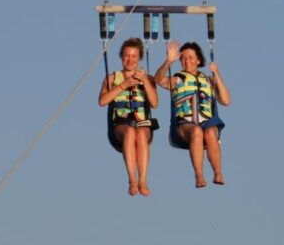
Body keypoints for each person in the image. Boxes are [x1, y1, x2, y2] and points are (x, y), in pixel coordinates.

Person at [155, 40, 231, 188]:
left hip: (207, 122)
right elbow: (158, 79)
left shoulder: (208, 80)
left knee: (210, 133)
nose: (186, 60)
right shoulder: (178, 79)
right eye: (183, 58)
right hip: (185, 125)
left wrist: (217, 74)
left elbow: (226, 101)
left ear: (198, 60)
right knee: (196, 131)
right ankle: (199, 175)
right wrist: (168, 62)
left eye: (190, 57)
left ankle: (218, 173)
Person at [98, 38, 159, 196]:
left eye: (133, 56)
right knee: (131, 132)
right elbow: (103, 101)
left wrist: (144, 80)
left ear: (139, 58)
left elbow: (154, 103)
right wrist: (123, 85)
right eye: (126, 56)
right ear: (121, 56)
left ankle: (143, 180)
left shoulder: (148, 78)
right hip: (120, 124)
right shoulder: (112, 79)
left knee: (139, 132)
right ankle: (132, 180)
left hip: (142, 123)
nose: (129, 60)